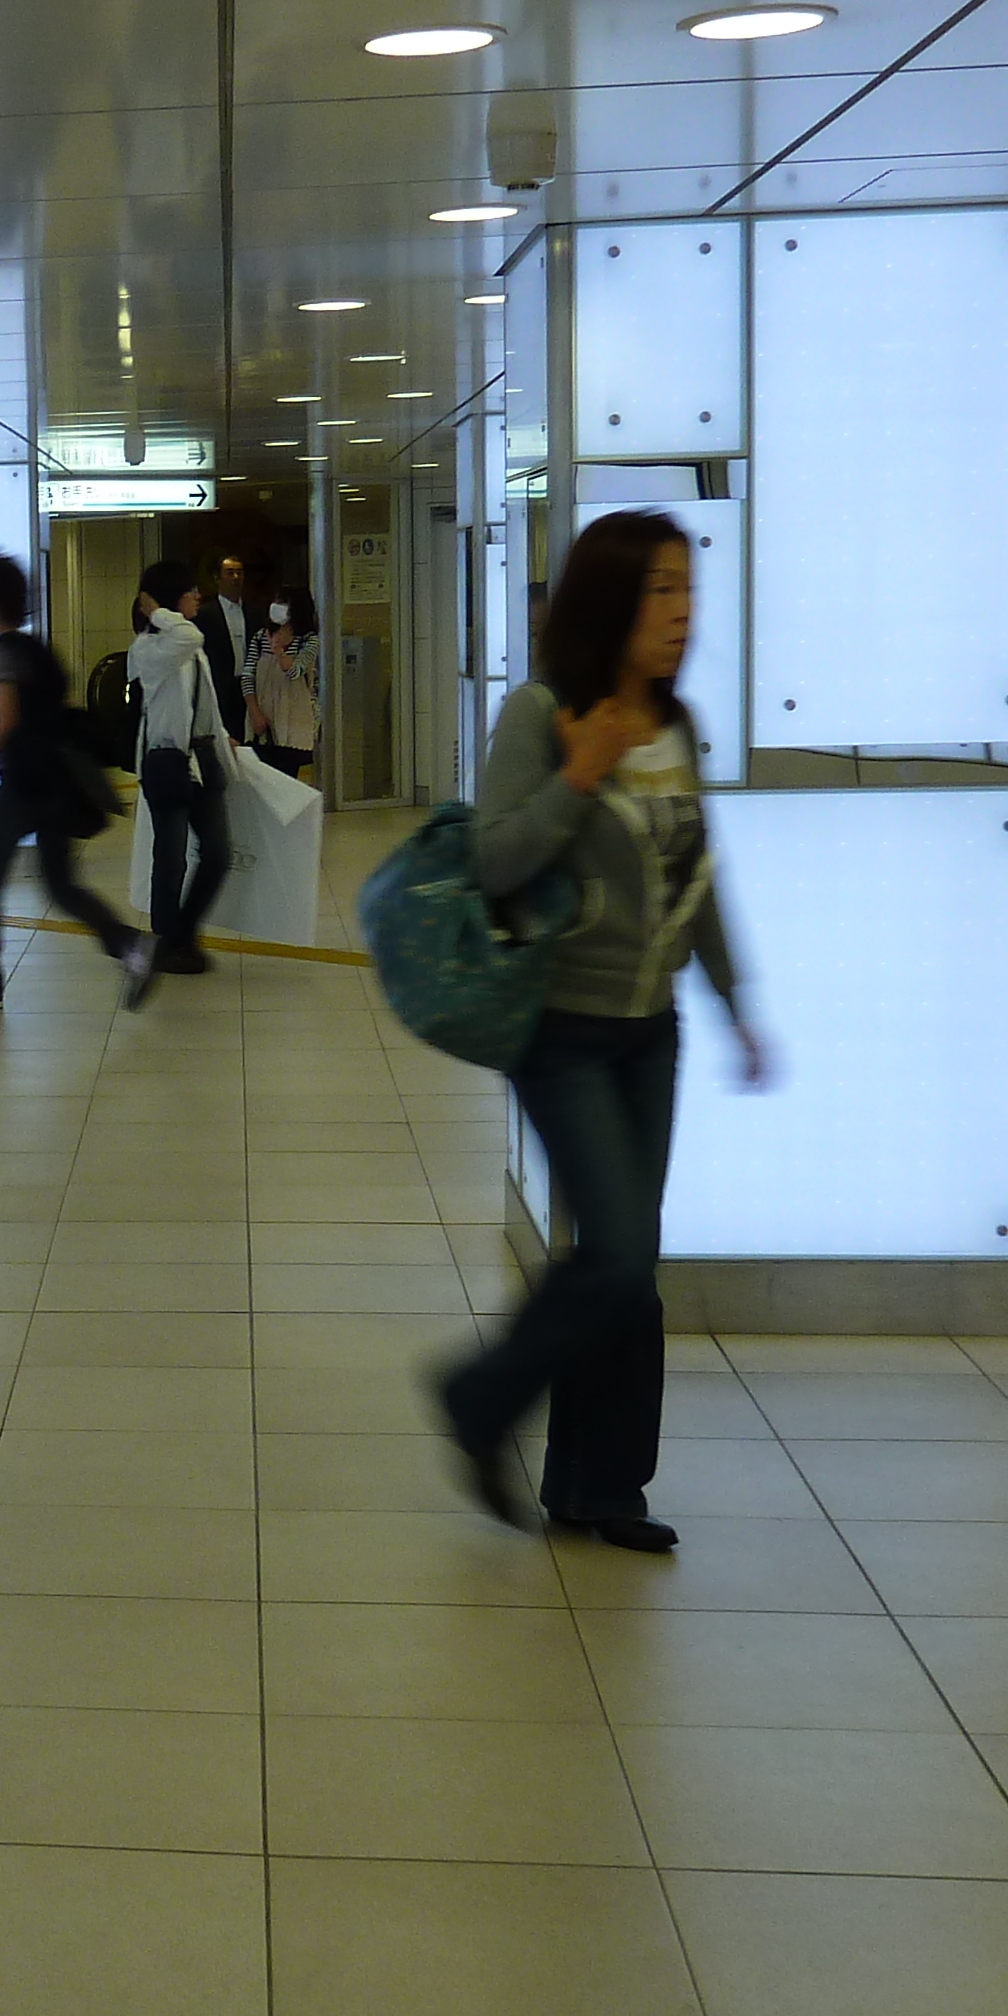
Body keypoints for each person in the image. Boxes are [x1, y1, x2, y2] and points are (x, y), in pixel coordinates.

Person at [434, 512, 767, 1554]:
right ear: (608, 599)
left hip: (647, 1030)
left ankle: (599, 1486)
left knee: (631, 1261)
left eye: (688, 589)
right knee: (616, 1253)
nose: (682, 613)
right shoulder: (541, 712)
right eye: (661, 590)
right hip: (558, 1027)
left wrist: (734, 1002)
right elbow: (492, 861)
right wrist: (579, 773)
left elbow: (697, 878)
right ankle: (480, 1396)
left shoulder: (678, 722)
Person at [0, 549, 132, 1006]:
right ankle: (129, 944)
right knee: (61, 885)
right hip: (58, 782)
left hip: (22, 784)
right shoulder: (40, 649)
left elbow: (6, 719)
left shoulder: (0, 654)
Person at [122, 557, 232, 1009]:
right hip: (168, 762)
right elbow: (191, 633)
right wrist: (157, 613)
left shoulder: (184, 644)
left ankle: (180, 934)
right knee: (169, 861)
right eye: (190, 590)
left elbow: (200, 702)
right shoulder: (152, 647)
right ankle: (168, 940)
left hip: (202, 758)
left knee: (219, 853)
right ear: (168, 600)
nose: (198, 597)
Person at [248, 588, 322, 778]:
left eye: (283, 602)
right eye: (276, 600)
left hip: (294, 720)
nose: (277, 606)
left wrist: (280, 650)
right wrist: (254, 711)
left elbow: (294, 672)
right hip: (263, 717)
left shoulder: (309, 640)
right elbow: (247, 676)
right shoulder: (259, 638)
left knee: (290, 774)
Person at [198, 552, 258, 723]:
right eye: (230, 572)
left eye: (239, 572)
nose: (236, 577)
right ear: (217, 578)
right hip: (220, 688)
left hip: (249, 687)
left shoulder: (253, 613)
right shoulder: (205, 615)